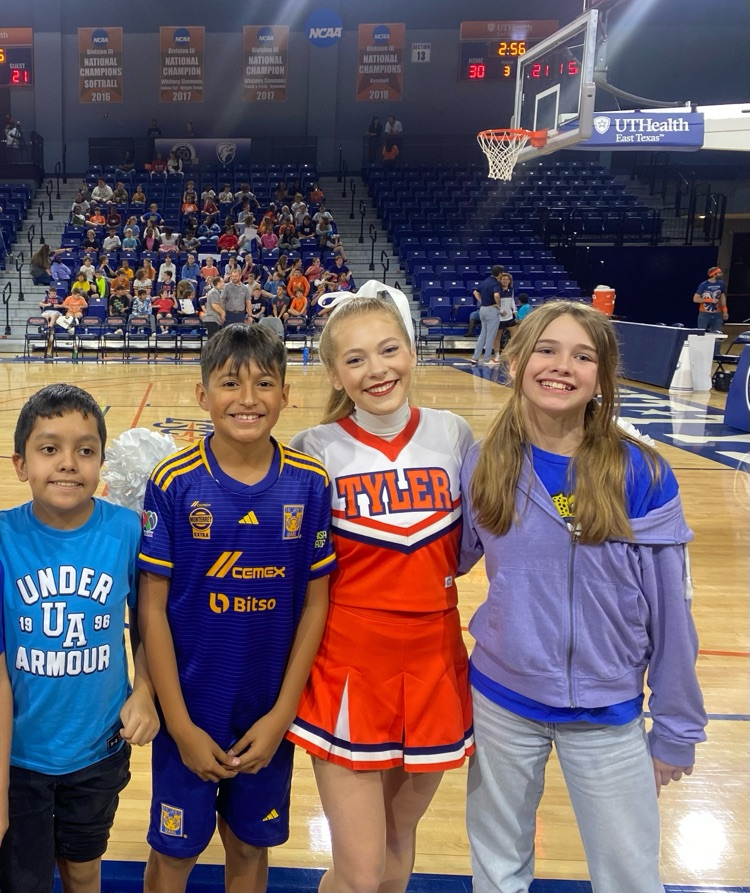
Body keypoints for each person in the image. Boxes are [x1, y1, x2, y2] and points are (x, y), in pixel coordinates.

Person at [459, 301, 707, 893]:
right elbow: (439, 565)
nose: (561, 366)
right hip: (501, 701)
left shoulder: (640, 473)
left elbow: (674, 615)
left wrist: (675, 728)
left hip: (609, 710)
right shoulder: (484, 463)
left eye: (582, 355)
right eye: (546, 349)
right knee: (496, 870)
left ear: (603, 376)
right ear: (515, 361)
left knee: (629, 877)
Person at [286, 292, 474, 893]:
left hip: (434, 663)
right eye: (356, 359)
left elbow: (467, 548)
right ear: (336, 373)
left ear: (412, 351)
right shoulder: (315, 449)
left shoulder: (454, 434)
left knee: (397, 844)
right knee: (361, 870)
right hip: (349, 666)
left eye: (389, 350)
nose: (377, 370)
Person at [137, 325, 335, 893]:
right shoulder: (174, 483)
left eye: (263, 384)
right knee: (173, 854)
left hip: (266, 717)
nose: (247, 399)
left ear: (285, 394)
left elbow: (316, 604)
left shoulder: (310, 483)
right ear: (203, 395)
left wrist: (281, 716)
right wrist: (178, 723)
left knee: (249, 847)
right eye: (230, 383)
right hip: (191, 711)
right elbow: (152, 609)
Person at [0, 384, 159, 893]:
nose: (68, 463)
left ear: (101, 463)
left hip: (99, 749)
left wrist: (145, 690)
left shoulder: (128, 531)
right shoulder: (3, 537)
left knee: (84, 869)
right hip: (19, 758)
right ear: (20, 463)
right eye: (50, 449)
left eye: (85, 451)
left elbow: (151, 622)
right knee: (24, 880)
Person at [471, 265, 504, 367]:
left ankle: (475, 357)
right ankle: (486, 358)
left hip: (483, 309)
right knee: (491, 335)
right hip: (491, 310)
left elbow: (475, 291)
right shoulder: (496, 283)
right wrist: (498, 305)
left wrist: (481, 301)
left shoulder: (485, 281)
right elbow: (496, 295)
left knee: (483, 334)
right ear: (500, 273)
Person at [693, 266, 727, 333]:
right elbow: (695, 299)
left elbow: (723, 297)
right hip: (704, 314)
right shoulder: (703, 285)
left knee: (717, 334)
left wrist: (725, 311)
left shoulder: (721, 284)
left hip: (718, 314)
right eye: (719, 273)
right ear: (714, 274)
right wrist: (710, 300)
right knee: (701, 333)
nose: (721, 274)